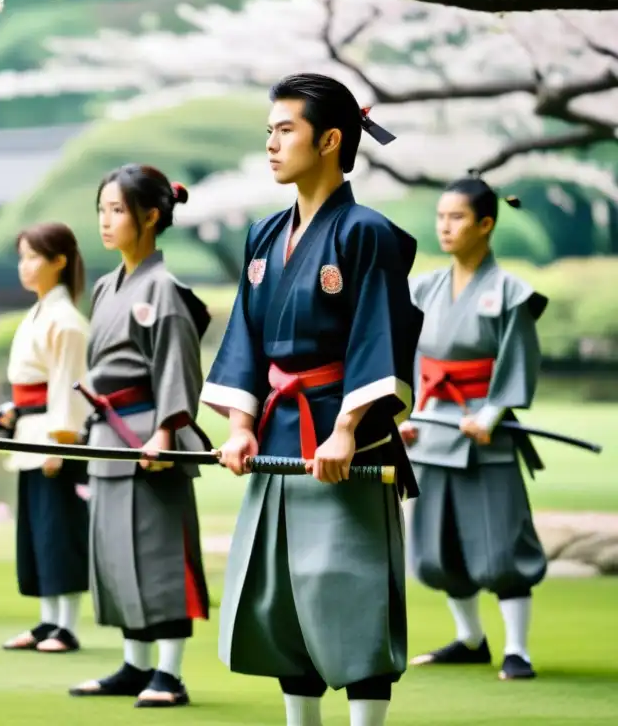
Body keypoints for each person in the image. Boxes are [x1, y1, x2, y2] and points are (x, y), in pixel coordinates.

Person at [200, 73, 423, 726]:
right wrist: (241, 425)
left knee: (346, 587)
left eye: (285, 130)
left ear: (330, 140)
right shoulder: (265, 237)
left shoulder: (367, 233)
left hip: (342, 436)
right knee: (282, 593)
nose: (270, 144)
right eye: (268, 131)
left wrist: (348, 426)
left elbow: (377, 334)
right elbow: (246, 334)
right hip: (277, 431)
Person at [67, 164, 211, 709]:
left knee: (159, 555)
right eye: (102, 210)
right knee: (116, 553)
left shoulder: (165, 289)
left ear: (151, 216)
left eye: (118, 210)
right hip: (109, 437)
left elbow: (177, 369)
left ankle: (169, 675)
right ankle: (135, 664)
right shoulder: (107, 287)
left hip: (151, 437)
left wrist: (167, 435)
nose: (106, 221)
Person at [400, 174, 549, 681]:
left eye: (457, 217)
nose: (446, 227)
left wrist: (490, 415)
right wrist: (406, 414)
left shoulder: (510, 292)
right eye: (441, 217)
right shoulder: (422, 288)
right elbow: (411, 358)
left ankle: (518, 649)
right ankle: (469, 639)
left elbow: (518, 361)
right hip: (430, 428)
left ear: (486, 224)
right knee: (436, 548)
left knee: (500, 545)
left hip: (485, 432)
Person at [0, 222, 92, 654]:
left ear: (59, 261)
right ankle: (48, 621)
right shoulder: (39, 313)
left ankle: (66, 626)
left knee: (59, 532)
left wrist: (59, 442)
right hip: (30, 433)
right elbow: (30, 385)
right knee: (37, 533)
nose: (25, 266)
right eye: (22, 257)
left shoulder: (66, 321)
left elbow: (68, 386)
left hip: (52, 439)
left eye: (34, 256)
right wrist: (9, 414)